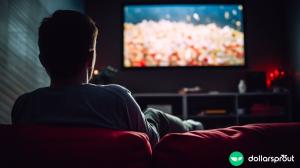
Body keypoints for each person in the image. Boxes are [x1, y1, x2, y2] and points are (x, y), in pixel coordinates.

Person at [11, 10, 203, 146]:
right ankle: (194, 126)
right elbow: (152, 141)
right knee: (154, 115)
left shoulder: (24, 106)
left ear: (42, 60)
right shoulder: (117, 98)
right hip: (149, 126)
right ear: (90, 57)